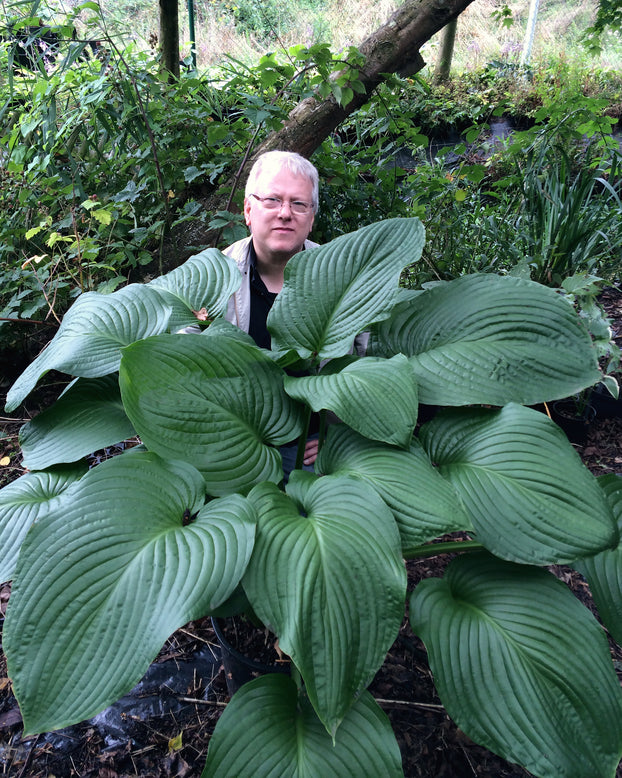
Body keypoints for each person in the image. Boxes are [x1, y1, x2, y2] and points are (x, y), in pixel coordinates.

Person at [222, 150, 321, 470]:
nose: (285, 213)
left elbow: (366, 363)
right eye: (272, 200)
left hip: (313, 446)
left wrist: (340, 434)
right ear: (248, 211)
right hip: (233, 442)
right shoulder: (213, 277)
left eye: (299, 203)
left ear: (311, 218)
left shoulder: (342, 278)